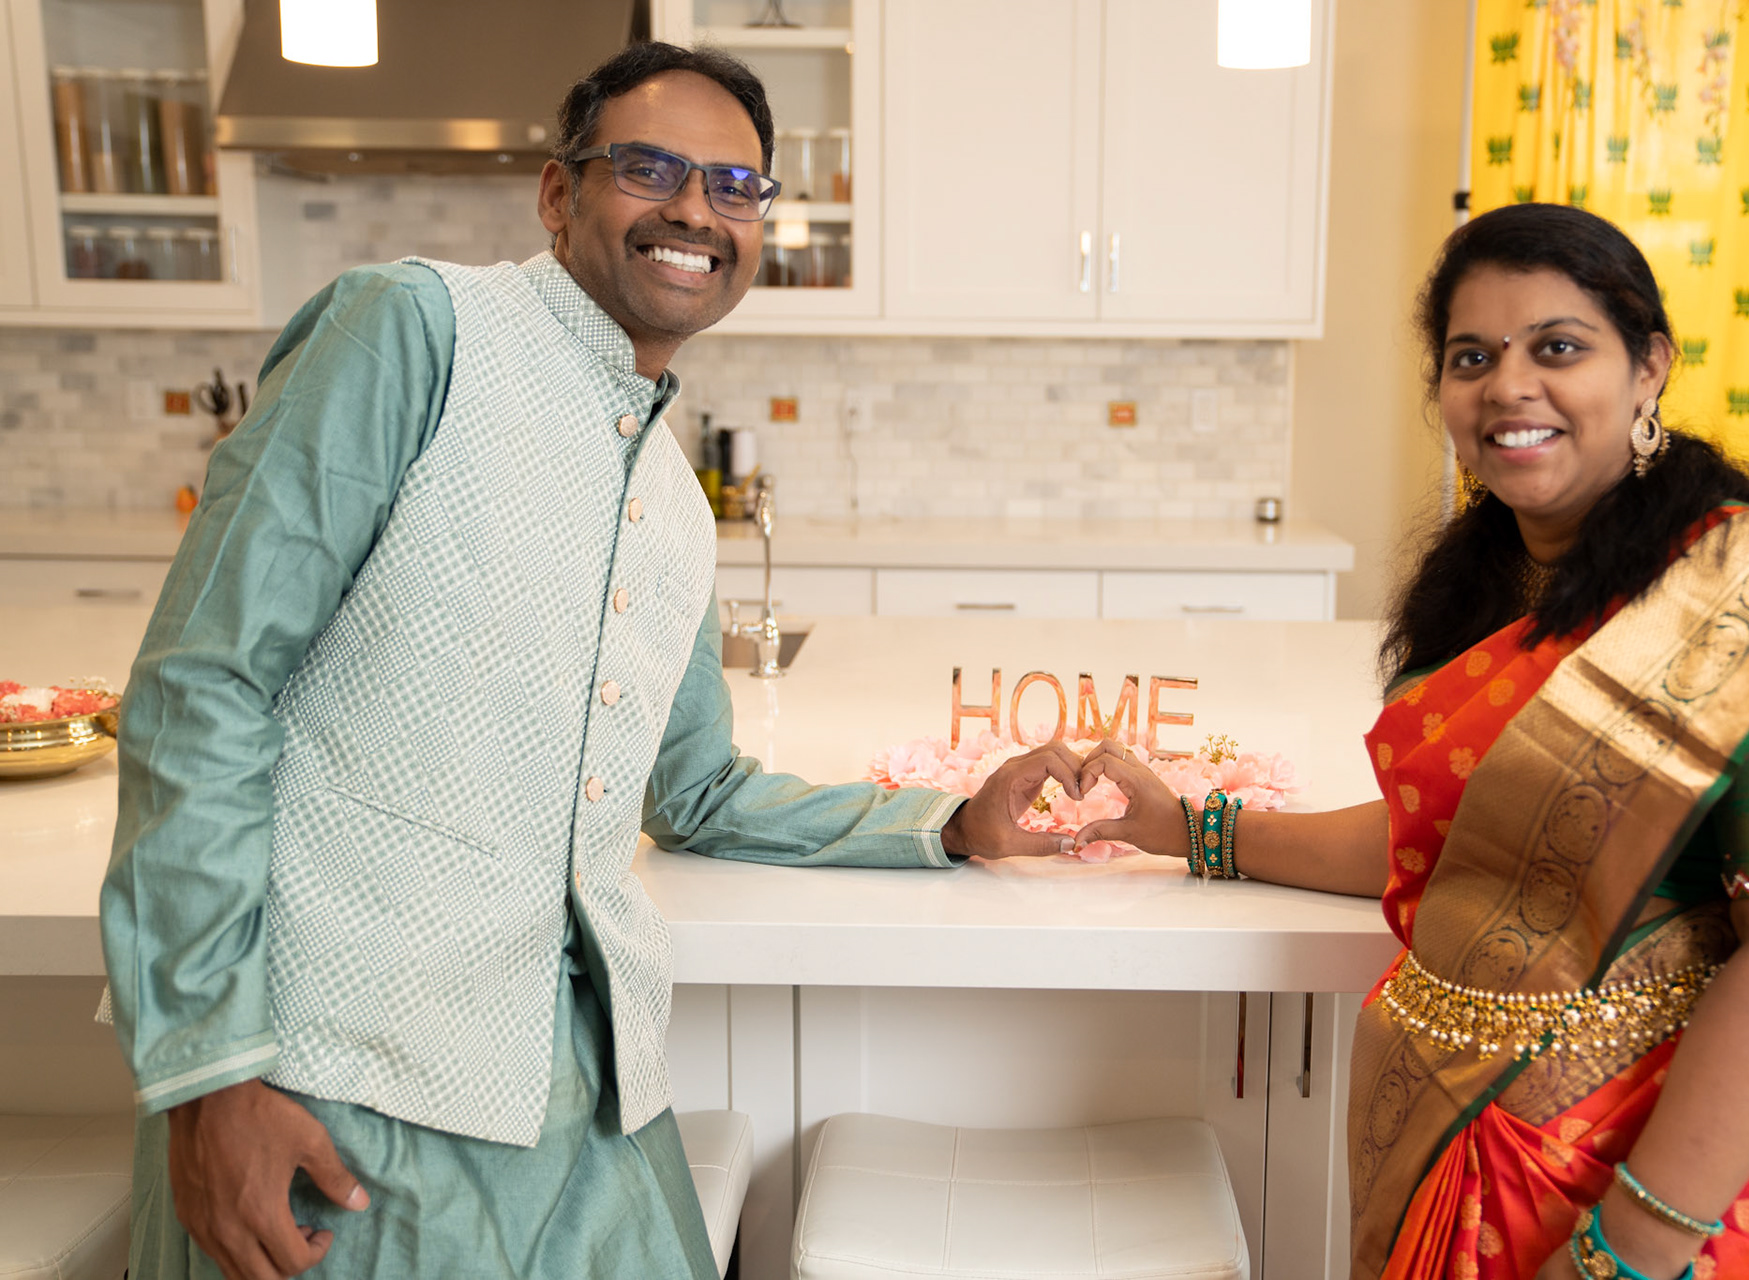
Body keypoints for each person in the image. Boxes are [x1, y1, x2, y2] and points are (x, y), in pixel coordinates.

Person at [99, 41, 1080, 1280]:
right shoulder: (411, 331)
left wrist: (951, 823)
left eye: (735, 186)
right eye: (650, 168)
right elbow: (204, 680)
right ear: (560, 195)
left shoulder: (670, 495)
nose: (696, 211)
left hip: (582, 1097)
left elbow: (698, 789)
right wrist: (208, 1070)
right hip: (333, 1088)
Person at [1070, 202, 1749, 1280]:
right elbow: (1457, 842)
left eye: (1558, 347)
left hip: (1693, 1196)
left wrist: (1631, 1247)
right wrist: (1196, 830)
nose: (1510, 385)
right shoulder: (1493, 586)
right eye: (1473, 356)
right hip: (1461, 1147)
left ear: (1649, 368)